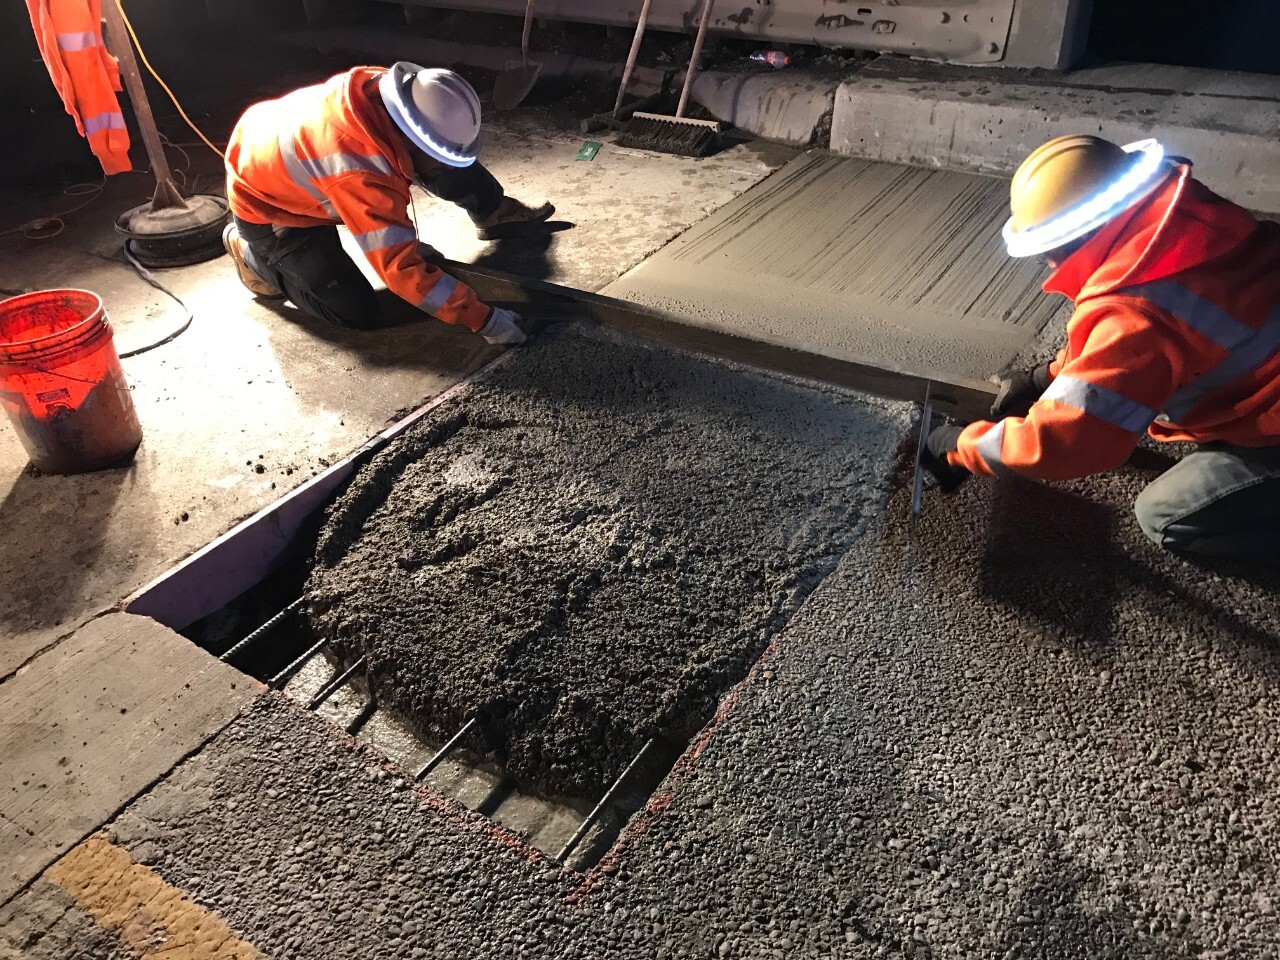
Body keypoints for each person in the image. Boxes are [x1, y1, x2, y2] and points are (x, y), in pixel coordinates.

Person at [923, 135, 1280, 561]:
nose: (1048, 264)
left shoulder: (1134, 312)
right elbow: (1128, 337)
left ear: (1076, 238)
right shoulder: (1178, 215)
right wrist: (1047, 379)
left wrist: (961, 446)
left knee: (1164, 516)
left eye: (1046, 251)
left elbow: (1064, 443)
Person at [221, 62, 555, 344]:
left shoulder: (398, 93)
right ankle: (250, 253)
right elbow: (400, 270)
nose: (443, 166)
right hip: (270, 208)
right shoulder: (360, 172)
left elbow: (435, 154)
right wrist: (484, 320)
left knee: (454, 160)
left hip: (292, 156)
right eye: (434, 157)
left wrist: (442, 162)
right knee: (355, 311)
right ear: (409, 139)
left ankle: (492, 212)